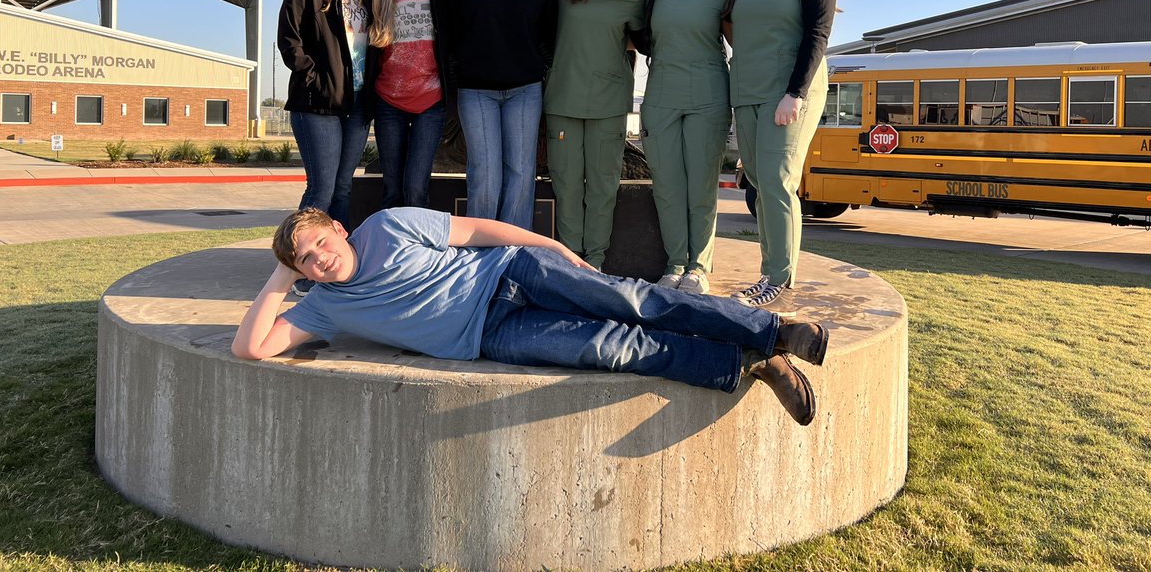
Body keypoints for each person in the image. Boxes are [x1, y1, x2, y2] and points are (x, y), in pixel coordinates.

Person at [231, 206, 829, 426]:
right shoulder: (325, 306)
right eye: (306, 260)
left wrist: (555, 250)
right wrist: (281, 273)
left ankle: (776, 331)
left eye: (319, 244)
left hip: (511, 272)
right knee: (614, 347)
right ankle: (750, 364)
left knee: (634, 301)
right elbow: (251, 349)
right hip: (491, 334)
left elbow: (477, 231)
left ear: (339, 227)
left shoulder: (387, 225)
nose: (320, 259)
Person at [721, 0, 837, 307]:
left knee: (777, 181)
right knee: (757, 181)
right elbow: (732, 25)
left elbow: (818, 34)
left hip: (789, 91)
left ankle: (779, 277)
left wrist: (795, 93)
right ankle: (767, 271)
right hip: (747, 91)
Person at [447, 0, 558, 229]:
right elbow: (451, 32)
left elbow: (550, 35)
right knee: (485, 173)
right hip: (476, 91)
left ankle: (513, 252)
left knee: (522, 173)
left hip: (525, 90)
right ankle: (480, 256)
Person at [635, 0, 731, 296]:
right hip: (660, 94)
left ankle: (698, 267)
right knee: (668, 185)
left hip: (709, 93)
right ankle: (675, 264)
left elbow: (748, 34)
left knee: (701, 186)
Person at [278, 0, 373, 295]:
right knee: (320, 190)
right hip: (317, 104)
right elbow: (290, 42)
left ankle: (338, 267)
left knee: (344, 188)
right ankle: (299, 270)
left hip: (357, 104)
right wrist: (316, 81)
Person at [544, 0, 644, 269]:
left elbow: (645, 39)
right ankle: (571, 261)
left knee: (602, 187)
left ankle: (596, 261)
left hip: (609, 101)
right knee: (568, 186)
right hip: (563, 99)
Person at [367, 0, 452, 209]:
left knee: (416, 188)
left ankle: (417, 250)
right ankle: (393, 247)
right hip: (389, 102)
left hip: (431, 102)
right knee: (392, 188)